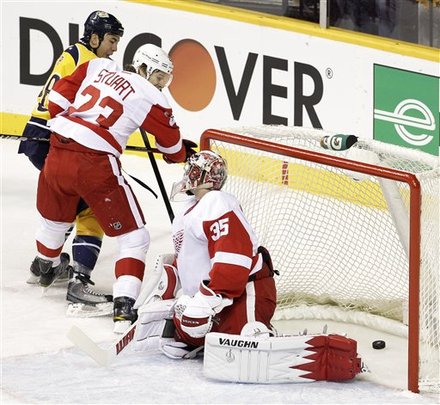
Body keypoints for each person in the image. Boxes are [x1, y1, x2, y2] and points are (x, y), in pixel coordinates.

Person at [30, 43, 197, 332]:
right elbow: (170, 147)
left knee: (54, 220)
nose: (161, 84)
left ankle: (46, 265)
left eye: (165, 79)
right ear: (142, 68)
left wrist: (74, 125)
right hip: (94, 164)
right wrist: (182, 153)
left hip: (57, 151)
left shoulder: (98, 66)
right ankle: (124, 307)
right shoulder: (150, 95)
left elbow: (56, 100)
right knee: (134, 238)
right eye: (159, 77)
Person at [19, 11, 125, 307]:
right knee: (91, 207)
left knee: (68, 201)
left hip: (38, 135)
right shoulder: (90, 62)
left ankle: (45, 263)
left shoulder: (76, 53)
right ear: (95, 38)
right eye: (112, 40)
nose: (115, 47)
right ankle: (78, 280)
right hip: (51, 138)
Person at [134, 150, 278, 358]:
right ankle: (199, 339)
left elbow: (233, 255)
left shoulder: (217, 202)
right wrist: (169, 280)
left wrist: (209, 298)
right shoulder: (187, 210)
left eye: (192, 170)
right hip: (213, 297)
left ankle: (259, 333)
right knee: (188, 317)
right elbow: (192, 258)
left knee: (244, 344)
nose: (188, 174)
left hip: (242, 293)